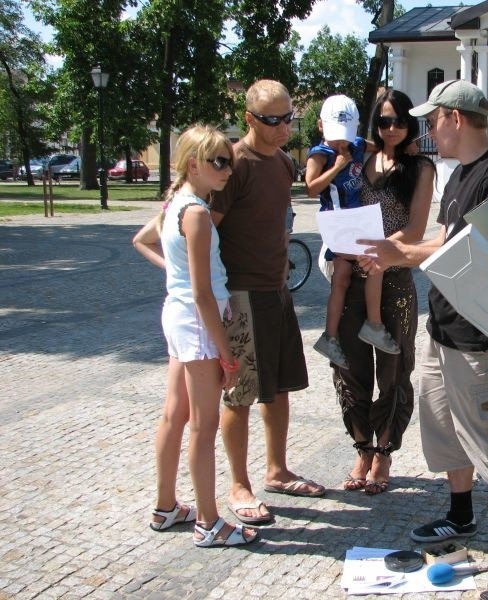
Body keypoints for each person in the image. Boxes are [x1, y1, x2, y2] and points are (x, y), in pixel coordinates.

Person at [357, 80, 488, 594]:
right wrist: (393, 245)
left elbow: (468, 248)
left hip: (478, 334)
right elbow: (439, 237)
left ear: (455, 118)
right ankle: (461, 517)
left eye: (432, 119)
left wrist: (397, 256)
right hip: (444, 327)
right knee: (442, 429)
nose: (427, 129)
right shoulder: (460, 174)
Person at [132, 124, 257, 547]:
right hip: (200, 321)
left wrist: (177, 275)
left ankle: (166, 507)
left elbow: (143, 242)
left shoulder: (175, 203)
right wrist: (227, 354)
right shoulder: (198, 213)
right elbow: (204, 293)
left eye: (230, 161)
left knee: (175, 413)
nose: (227, 169)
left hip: (179, 315)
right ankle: (208, 522)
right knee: (202, 426)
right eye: (218, 162)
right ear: (192, 164)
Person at [208, 79, 325, 527]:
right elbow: (205, 233)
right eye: (274, 119)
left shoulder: (280, 164)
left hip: (277, 293)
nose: (284, 127)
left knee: (277, 389)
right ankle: (239, 484)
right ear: (250, 119)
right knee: (239, 394)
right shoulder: (232, 164)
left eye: (289, 117)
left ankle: (277, 469)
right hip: (239, 296)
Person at [332, 89, 434, 495]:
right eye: (384, 120)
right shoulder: (363, 157)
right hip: (352, 275)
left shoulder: (420, 167)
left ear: (410, 123)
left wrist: (379, 250)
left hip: (393, 280)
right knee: (348, 365)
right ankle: (362, 447)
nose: (391, 128)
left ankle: (385, 451)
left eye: (399, 121)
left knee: (393, 369)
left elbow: (415, 230)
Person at [306, 94, 400, 370]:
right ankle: (373, 324)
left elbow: (382, 147)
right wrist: (337, 166)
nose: (341, 142)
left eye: (345, 135)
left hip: (356, 220)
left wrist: (406, 150)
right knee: (376, 260)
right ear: (321, 125)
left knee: (342, 279)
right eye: (335, 135)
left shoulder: (357, 144)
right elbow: (311, 188)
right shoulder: (320, 154)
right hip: (337, 223)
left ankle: (330, 337)